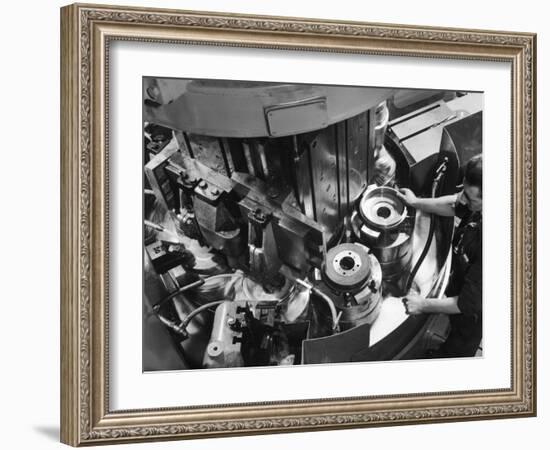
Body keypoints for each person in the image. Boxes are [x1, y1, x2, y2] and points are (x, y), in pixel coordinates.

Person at [396, 154, 483, 358]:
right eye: (463, 190)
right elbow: (454, 204)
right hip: (466, 275)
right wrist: (416, 202)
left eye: (471, 199)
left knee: (463, 338)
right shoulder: (480, 201)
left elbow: (467, 304)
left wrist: (422, 305)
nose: (462, 198)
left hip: (477, 309)